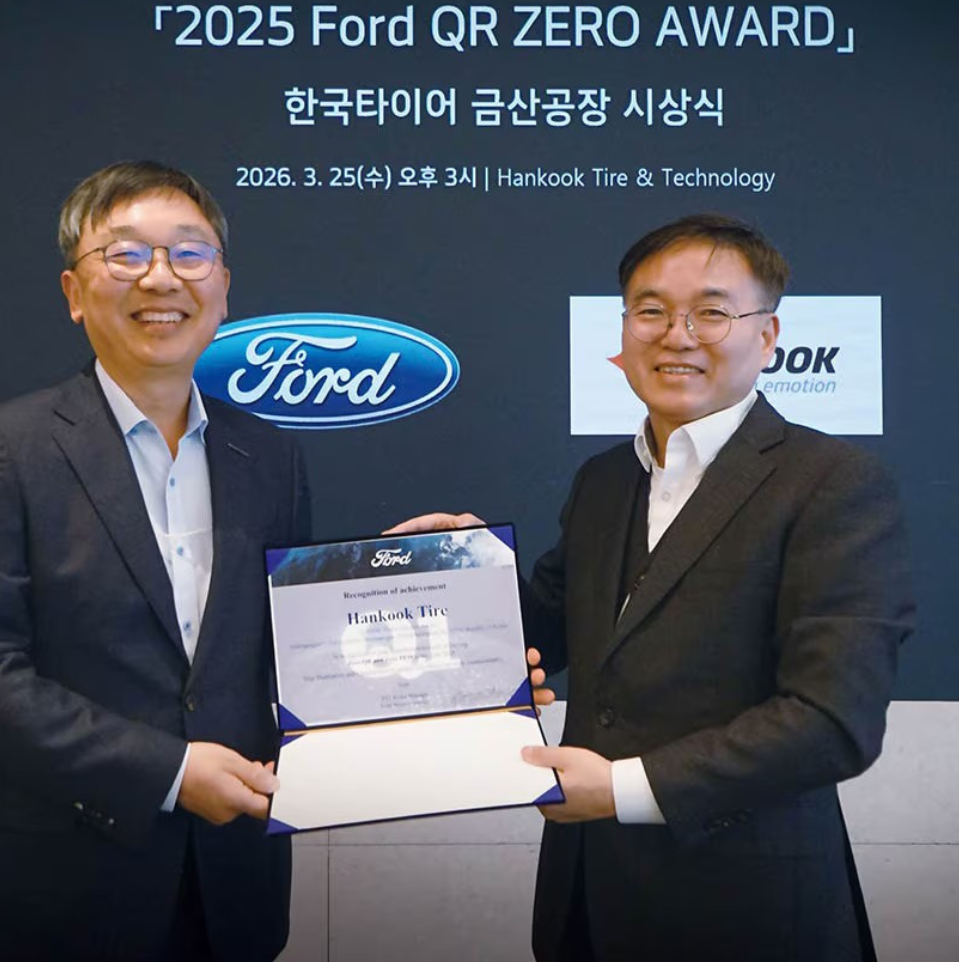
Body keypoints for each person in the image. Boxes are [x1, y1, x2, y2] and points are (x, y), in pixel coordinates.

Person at [390, 214, 914, 962]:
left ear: (767, 337)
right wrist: (462, 574)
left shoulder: (832, 484)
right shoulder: (605, 480)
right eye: (652, 310)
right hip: (587, 901)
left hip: (749, 913)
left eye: (711, 312)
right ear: (624, 329)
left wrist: (622, 789)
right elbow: (548, 632)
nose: (677, 335)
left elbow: (832, 722)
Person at [0, 161, 310, 962]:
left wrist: (410, 581)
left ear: (223, 288)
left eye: (189, 253)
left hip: (232, 892)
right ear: (73, 292)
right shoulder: (1, 449)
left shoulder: (268, 455)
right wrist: (168, 772)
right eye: (125, 254)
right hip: (52, 898)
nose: (161, 278)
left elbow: (293, 650)